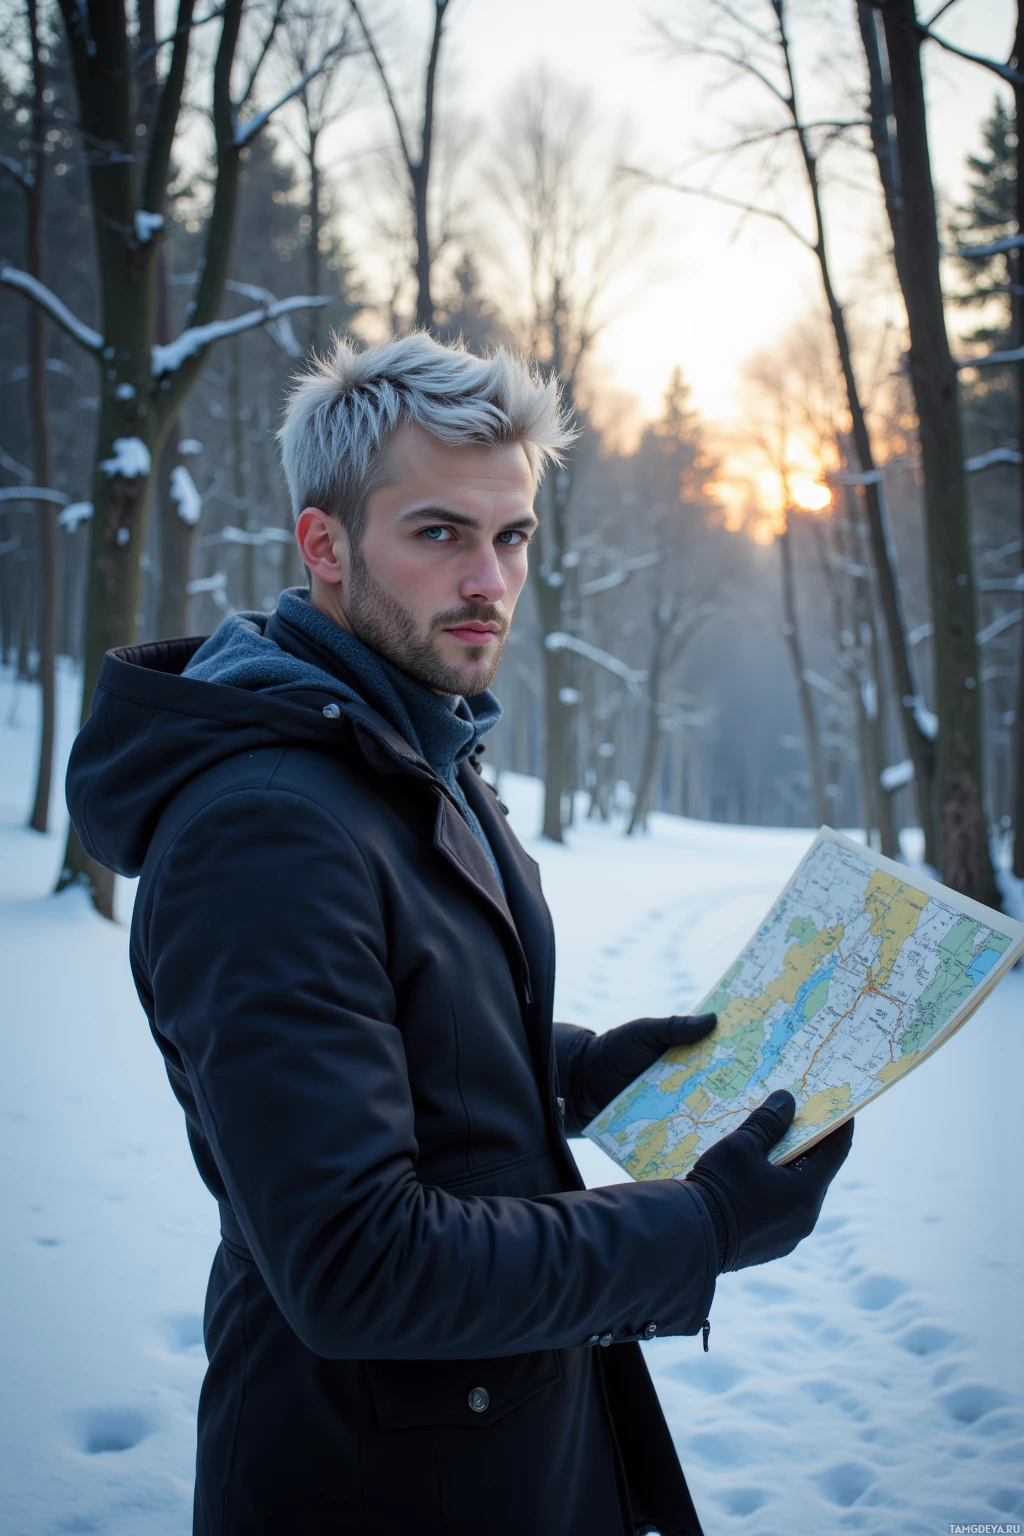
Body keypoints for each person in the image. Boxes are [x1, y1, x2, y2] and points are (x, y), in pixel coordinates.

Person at [66, 333, 853, 1536]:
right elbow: (356, 1264)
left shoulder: (406, 743)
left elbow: (389, 1028)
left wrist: (576, 1069)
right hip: (377, 1482)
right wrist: (699, 1228)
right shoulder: (267, 829)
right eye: (439, 533)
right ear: (324, 547)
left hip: (498, 1431)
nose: (488, 579)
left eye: (513, 536)